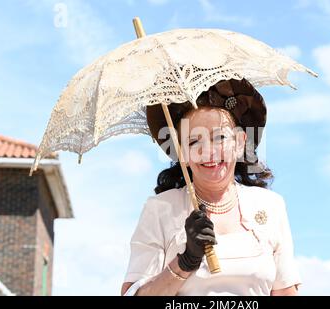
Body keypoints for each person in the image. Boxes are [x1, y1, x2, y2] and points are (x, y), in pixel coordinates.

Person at [121, 78, 301, 296]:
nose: (209, 151)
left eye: (220, 137)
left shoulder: (271, 205)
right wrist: (186, 261)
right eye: (194, 141)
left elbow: (285, 292)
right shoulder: (160, 209)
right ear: (182, 154)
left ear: (240, 142)